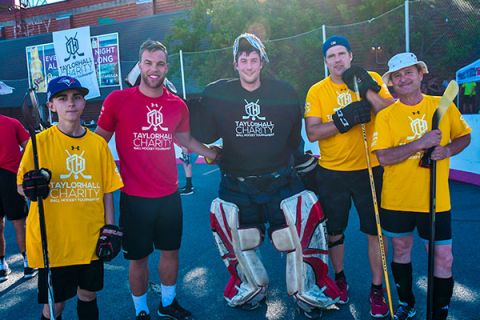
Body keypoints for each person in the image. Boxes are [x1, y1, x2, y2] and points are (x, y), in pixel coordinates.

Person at [197, 33, 340, 319]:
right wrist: (204, 148)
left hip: (280, 180)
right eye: (243, 60)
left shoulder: (283, 92)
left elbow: (292, 139)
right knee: (241, 237)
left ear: (261, 62)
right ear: (235, 64)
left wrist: (300, 164)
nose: (248, 65)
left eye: (253, 59)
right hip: (236, 182)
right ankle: (250, 287)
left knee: (294, 236)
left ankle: (306, 291)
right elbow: (199, 130)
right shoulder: (217, 93)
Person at [96, 39, 217, 320]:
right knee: (137, 258)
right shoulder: (118, 100)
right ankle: (141, 311)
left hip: (168, 196)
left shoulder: (177, 105)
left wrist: (212, 153)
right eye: (148, 63)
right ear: (139, 65)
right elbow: (98, 142)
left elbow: (184, 138)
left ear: (166, 67)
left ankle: (167, 302)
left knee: (170, 252)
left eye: (160, 63)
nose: (154, 69)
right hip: (134, 197)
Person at [372, 52, 471, 320]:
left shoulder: (443, 106)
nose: (403, 78)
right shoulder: (386, 116)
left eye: (408, 72)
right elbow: (384, 157)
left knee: (443, 258)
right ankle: (407, 302)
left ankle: (439, 311)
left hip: (436, 200)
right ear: (391, 82)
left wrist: (447, 150)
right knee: (401, 250)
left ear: (420, 73)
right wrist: (421, 143)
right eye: (397, 75)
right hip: (397, 199)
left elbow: (464, 136)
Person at [17, 76, 124, 320]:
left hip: (89, 239)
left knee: (88, 295)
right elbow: (21, 187)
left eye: (77, 97)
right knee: (55, 306)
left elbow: (107, 189)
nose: (71, 103)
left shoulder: (97, 144)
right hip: (54, 243)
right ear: (51, 106)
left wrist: (110, 228)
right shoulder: (38, 143)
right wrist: (31, 186)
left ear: (84, 102)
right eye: (62, 98)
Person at [304, 35, 395, 318]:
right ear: (326, 61)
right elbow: (313, 133)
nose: (338, 59)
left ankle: (377, 289)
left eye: (342, 54)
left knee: (375, 232)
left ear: (351, 56)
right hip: (333, 173)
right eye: (331, 56)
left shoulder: (371, 78)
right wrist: (343, 120)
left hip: (370, 169)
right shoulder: (317, 91)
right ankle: (339, 279)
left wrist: (367, 90)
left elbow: (391, 113)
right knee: (335, 232)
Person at [0, 114, 37, 281]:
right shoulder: (11, 122)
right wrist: (20, 164)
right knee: (19, 223)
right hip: (10, 176)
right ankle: (28, 263)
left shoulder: (12, 122)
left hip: (10, 175)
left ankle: (1, 266)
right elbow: (29, 148)